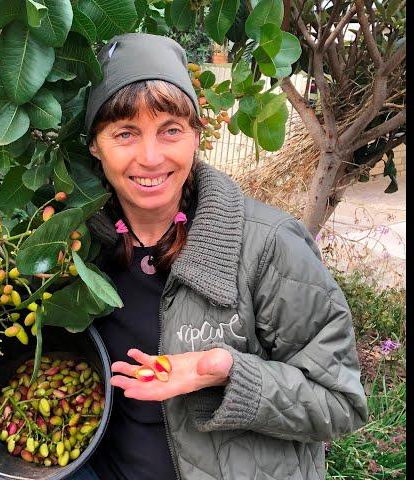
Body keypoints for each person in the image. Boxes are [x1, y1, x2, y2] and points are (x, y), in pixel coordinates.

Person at [67, 33, 368, 480]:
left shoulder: (268, 246)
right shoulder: (76, 247)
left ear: (196, 136)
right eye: (125, 133)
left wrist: (228, 373)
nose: (150, 158)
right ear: (95, 145)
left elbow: (341, 404)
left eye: (170, 130)